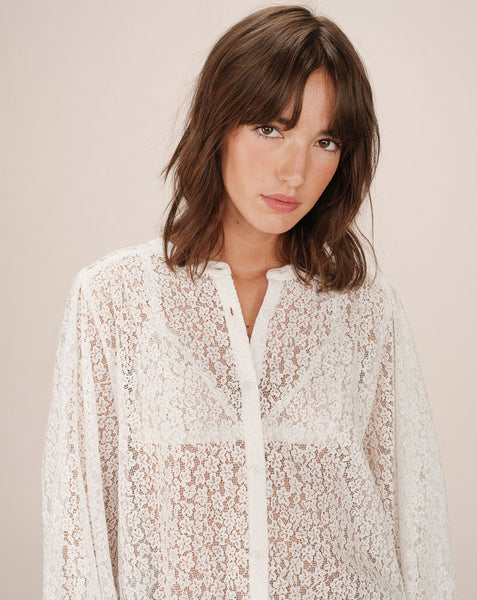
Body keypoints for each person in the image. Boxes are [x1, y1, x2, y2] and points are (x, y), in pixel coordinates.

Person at [42, 5, 455, 599]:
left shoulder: (367, 311)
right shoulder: (114, 302)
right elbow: (77, 541)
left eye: (325, 141)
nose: (295, 171)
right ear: (219, 125)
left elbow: (417, 530)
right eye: (271, 128)